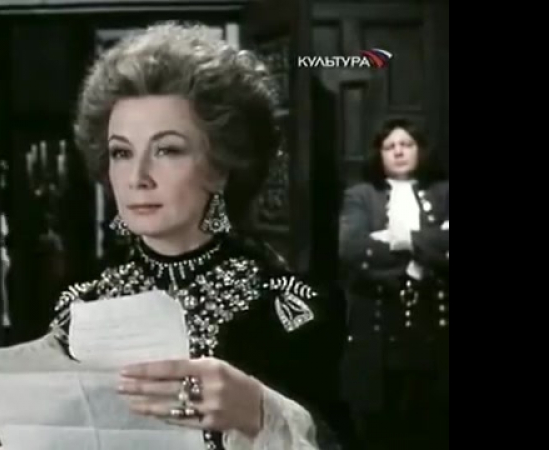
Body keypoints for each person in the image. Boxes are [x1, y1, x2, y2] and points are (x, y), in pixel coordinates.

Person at [40, 22, 356, 450]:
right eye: (121, 152)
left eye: (167, 150)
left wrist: (258, 412)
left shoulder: (287, 308)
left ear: (223, 164)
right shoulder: (78, 305)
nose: (137, 177)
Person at [338, 117, 449, 450]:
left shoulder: (443, 193)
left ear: (420, 150)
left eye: (406, 144)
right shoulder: (361, 196)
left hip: (433, 330)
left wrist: (402, 239)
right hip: (378, 328)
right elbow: (352, 249)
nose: (399, 152)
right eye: (390, 146)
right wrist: (423, 255)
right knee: (379, 430)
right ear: (380, 154)